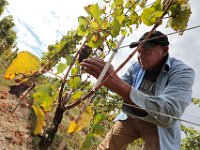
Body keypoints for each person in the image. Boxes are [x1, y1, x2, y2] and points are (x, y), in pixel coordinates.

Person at [80, 31, 195, 150]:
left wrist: (116, 83)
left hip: (157, 124)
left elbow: (169, 112)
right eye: (139, 51)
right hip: (131, 115)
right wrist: (97, 70)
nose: (140, 56)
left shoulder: (182, 72)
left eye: (146, 50)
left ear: (165, 50)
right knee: (108, 147)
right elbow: (117, 85)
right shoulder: (136, 67)